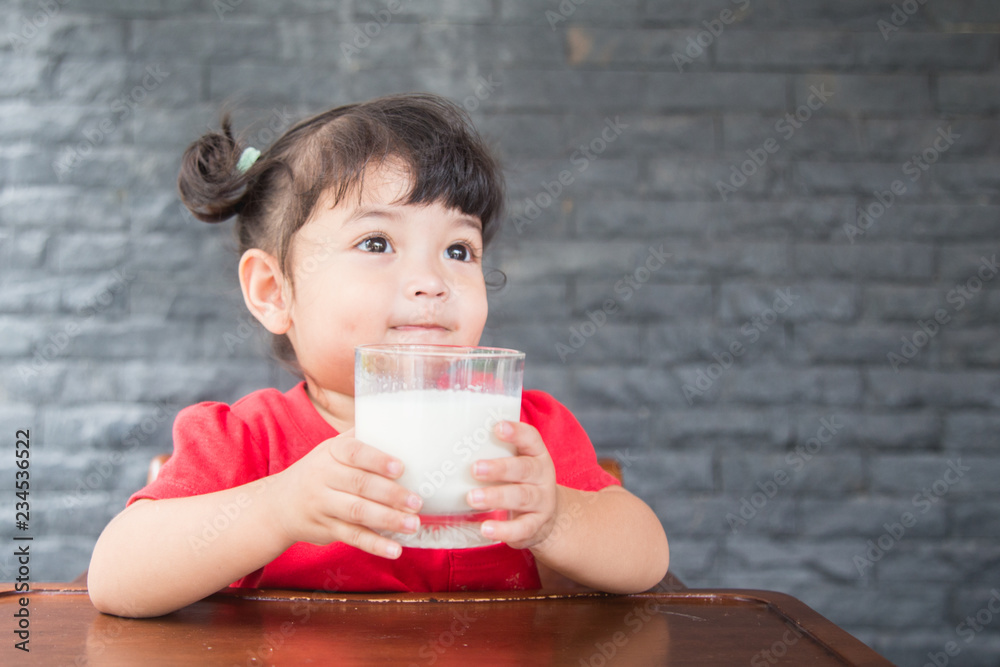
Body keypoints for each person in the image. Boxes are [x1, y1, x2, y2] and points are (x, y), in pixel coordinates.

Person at [87, 93, 669, 618]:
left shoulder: (522, 435)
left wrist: (555, 516)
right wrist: (278, 509)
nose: (431, 281)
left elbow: (646, 559)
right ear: (274, 292)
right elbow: (116, 577)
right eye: (376, 242)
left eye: (459, 249)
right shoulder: (247, 443)